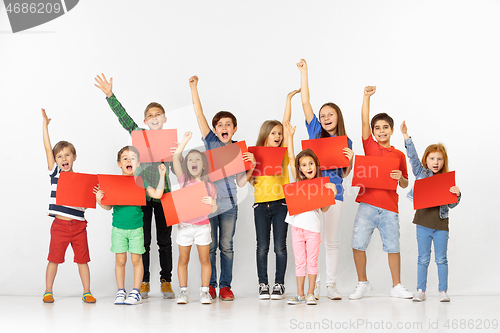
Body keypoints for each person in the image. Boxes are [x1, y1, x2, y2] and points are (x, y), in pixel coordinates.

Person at [94, 74, 175, 299]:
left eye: (158, 115)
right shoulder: (139, 135)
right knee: (144, 241)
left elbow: (179, 169)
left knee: (165, 241)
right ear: (145, 120)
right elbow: (124, 119)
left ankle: (166, 280)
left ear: (165, 119)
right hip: (141, 196)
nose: (154, 117)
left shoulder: (170, 141)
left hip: (164, 195)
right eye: (150, 115)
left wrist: (176, 154)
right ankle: (145, 281)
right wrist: (110, 95)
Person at [188, 75, 256, 301]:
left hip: (229, 205)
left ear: (234, 129)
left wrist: (251, 167)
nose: (223, 127)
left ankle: (225, 286)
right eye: (220, 125)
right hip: (208, 203)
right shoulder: (211, 142)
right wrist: (194, 88)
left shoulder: (239, 150)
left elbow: (240, 183)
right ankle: (210, 285)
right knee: (210, 246)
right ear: (215, 130)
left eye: (228, 124)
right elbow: (199, 114)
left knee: (226, 246)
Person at [297, 59, 354, 300]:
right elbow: (305, 102)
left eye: (330, 114)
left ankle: (330, 284)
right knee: (312, 241)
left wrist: (351, 161)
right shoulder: (315, 133)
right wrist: (305, 73)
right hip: (311, 193)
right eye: (322, 115)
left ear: (337, 117)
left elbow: (343, 174)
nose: (325, 117)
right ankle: (314, 285)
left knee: (331, 241)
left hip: (335, 194)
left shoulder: (346, 142)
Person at [349, 86, 413, 300]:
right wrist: (366, 97)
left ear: (392, 130)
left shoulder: (399, 155)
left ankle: (396, 285)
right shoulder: (370, 148)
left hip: (389, 207)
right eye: (378, 128)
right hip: (367, 204)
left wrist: (400, 178)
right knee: (357, 243)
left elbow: (405, 184)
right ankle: (362, 283)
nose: (381, 131)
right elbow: (364, 121)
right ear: (374, 132)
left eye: (386, 127)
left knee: (393, 246)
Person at [94, 146, 167, 305]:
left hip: (136, 230)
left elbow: (157, 194)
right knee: (120, 261)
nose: (129, 161)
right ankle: (120, 291)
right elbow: (109, 206)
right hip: (118, 229)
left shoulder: (141, 181)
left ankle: (136, 291)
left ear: (139, 163)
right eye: (125, 158)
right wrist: (100, 201)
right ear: (119, 163)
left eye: (132, 158)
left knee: (136, 260)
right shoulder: (114, 183)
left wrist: (162, 176)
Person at [401, 121, 461, 302]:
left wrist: (457, 195)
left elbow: (451, 205)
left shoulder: (446, 180)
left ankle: (443, 291)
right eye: (432, 158)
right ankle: (421, 290)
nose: (436, 162)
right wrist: (406, 136)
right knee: (423, 259)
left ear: (444, 162)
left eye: (440, 159)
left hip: (441, 225)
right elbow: (412, 157)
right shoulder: (421, 173)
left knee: (441, 259)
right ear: (426, 160)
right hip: (423, 224)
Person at [41, 108, 96, 304]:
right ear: (56, 161)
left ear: (74, 157)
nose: (63, 159)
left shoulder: (83, 180)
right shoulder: (56, 174)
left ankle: (87, 291)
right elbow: (48, 149)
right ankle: (48, 291)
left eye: (67, 155)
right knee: (54, 259)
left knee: (83, 260)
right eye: (60, 156)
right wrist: (45, 127)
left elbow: (88, 202)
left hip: (79, 226)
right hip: (60, 226)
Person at [249, 88, 300, 300]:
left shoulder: (284, 156)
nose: (278, 136)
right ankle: (263, 284)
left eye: (279, 134)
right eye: (274, 133)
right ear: (265, 136)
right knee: (262, 247)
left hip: (281, 204)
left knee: (280, 246)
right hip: (261, 206)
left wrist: (288, 100)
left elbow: (286, 124)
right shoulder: (256, 155)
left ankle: (279, 284)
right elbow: (248, 177)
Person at [284, 121, 337, 305]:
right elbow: (291, 157)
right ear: (300, 168)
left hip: (313, 228)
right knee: (300, 261)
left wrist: (332, 193)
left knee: (312, 261)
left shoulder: (321, 184)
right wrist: (289, 136)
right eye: (304, 165)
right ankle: (299, 294)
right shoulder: (298, 182)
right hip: (297, 228)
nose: (308, 167)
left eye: (311, 164)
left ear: (316, 165)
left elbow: (323, 209)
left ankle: (310, 293)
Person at [171, 131, 218, 304]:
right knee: (183, 259)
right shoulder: (183, 180)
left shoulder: (209, 185)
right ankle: (183, 291)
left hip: (202, 227)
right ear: (187, 165)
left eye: (197, 159)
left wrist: (212, 202)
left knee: (205, 259)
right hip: (184, 227)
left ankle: (205, 291)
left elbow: (214, 208)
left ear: (203, 165)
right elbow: (176, 158)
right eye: (190, 159)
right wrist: (185, 140)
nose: (193, 162)